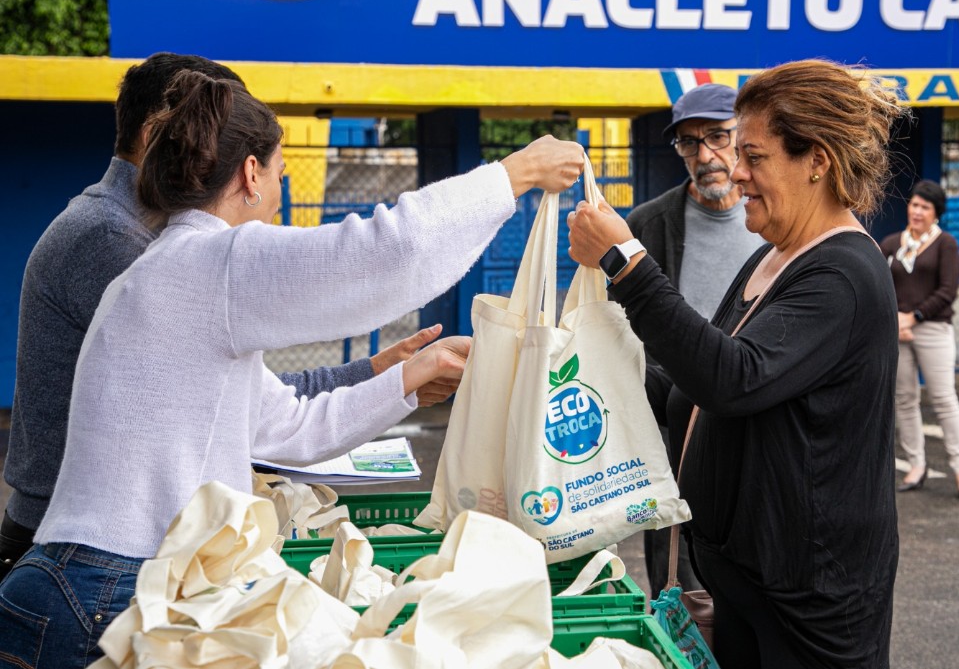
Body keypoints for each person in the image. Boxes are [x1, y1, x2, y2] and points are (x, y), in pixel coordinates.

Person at [0, 71, 584, 669]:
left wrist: (408, 379)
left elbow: (289, 427)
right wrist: (516, 173)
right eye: (281, 172)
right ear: (250, 174)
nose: (281, 190)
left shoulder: (168, 271)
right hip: (110, 592)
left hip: (82, 585)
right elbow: (388, 251)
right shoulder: (215, 260)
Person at [0, 53, 442, 582]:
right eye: (209, 129)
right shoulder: (118, 243)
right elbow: (255, 409)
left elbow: (249, 397)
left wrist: (373, 373)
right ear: (156, 135)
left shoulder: (152, 240)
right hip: (80, 556)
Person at [568, 60, 903, 667]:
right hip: (745, 584)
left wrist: (625, 263)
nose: (736, 172)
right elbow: (694, 383)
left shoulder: (844, 274)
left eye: (754, 156)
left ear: (817, 160)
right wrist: (569, 371)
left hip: (808, 602)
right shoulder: (773, 257)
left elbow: (733, 378)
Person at [628, 83, 762, 597]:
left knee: (751, 567)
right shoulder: (647, 225)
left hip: (753, 421)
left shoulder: (774, 218)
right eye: (689, 142)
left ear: (743, 137)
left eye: (717, 137)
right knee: (676, 580)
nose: (705, 156)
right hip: (671, 429)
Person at [880, 180, 959, 501]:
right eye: (914, 204)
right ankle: (916, 465)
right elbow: (877, 283)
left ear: (936, 213)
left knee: (943, 399)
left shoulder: (945, 244)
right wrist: (896, 319)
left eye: (925, 207)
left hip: (933, 329)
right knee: (905, 399)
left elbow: (948, 291)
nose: (918, 211)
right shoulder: (891, 244)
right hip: (897, 330)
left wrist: (915, 317)